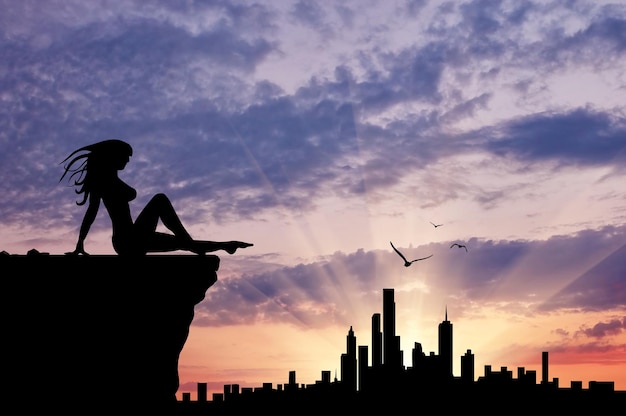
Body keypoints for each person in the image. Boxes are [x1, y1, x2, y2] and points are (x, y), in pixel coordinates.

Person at [60, 139, 253, 257]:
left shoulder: (112, 179)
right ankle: (208, 245)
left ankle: (225, 246)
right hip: (127, 241)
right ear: (114, 157)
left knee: (182, 243)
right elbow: (91, 213)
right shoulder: (103, 182)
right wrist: (79, 244)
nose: (128, 161)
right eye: (125, 157)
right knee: (161, 202)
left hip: (135, 236)